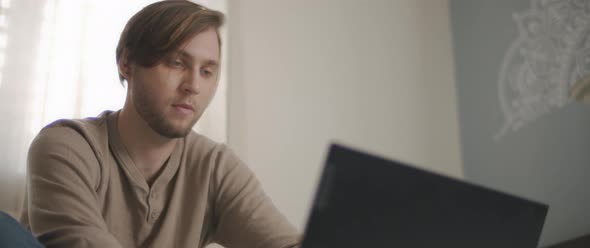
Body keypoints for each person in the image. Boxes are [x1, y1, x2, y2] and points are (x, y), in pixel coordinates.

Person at [16, 1, 301, 247]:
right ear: (127, 63)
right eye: (177, 63)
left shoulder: (215, 167)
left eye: (206, 71)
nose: (193, 86)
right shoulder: (66, 147)